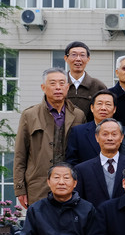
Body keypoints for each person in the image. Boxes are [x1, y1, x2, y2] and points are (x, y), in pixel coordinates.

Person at [16, 69, 87, 208]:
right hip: (38, 185)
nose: (58, 87)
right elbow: (20, 154)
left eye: (62, 83)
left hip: (70, 186)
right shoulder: (29, 115)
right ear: (43, 87)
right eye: (53, 83)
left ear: (67, 87)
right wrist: (20, 188)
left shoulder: (78, 115)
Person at [74, 118, 125, 207]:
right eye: (105, 134)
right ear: (97, 137)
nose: (110, 138)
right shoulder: (82, 170)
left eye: (114, 134)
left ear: (121, 138)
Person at [65, 91, 117, 165]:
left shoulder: (123, 131)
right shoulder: (78, 132)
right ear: (92, 108)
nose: (103, 108)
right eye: (99, 104)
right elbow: (71, 161)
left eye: (108, 104)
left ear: (114, 109)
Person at [62, 42, 109, 117]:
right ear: (66, 58)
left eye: (82, 55)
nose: (78, 59)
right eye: (74, 55)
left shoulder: (98, 86)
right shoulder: (60, 85)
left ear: (88, 59)